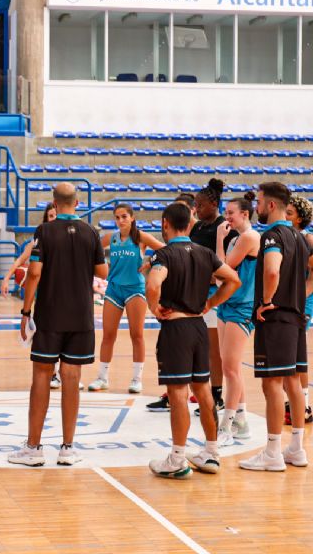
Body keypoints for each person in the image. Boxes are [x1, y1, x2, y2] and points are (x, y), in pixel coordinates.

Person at [8, 183, 107, 467]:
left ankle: (34, 448)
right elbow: (102, 271)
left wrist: (26, 311)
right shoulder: (91, 232)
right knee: (72, 378)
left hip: (51, 314)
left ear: (54, 202)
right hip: (81, 316)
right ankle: (67, 448)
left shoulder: (45, 231)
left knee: (41, 376)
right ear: (77, 202)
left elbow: (35, 273)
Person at [146, 202, 240, 479]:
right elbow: (233, 279)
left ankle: (177, 458)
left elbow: (153, 284)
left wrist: (154, 308)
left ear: (165, 223)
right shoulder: (205, 253)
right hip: (199, 328)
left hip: (176, 329)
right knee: (204, 391)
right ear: (190, 224)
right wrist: (210, 302)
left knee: (177, 393)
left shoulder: (164, 255)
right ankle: (211, 453)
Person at [239, 182, 312, 471]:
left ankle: (272, 453)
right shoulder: (299, 236)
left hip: (276, 317)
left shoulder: (273, 235)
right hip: (295, 318)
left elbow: (272, 269)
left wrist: (266, 300)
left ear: (271, 205)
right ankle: (296, 448)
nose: (256, 207)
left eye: (258, 202)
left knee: (271, 385)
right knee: (293, 383)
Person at [146, 181, 233, 413]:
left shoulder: (222, 228)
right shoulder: (197, 229)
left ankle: (216, 394)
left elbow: (225, 269)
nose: (198, 208)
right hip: (191, 294)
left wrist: (209, 284)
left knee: (213, 350)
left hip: (208, 295)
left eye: (199, 205)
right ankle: (175, 392)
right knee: (189, 353)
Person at [88, 203, 163, 393]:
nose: (120, 220)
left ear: (132, 218)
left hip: (135, 290)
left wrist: (150, 261)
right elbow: (91, 248)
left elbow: (165, 250)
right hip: (114, 289)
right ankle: (102, 377)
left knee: (136, 335)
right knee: (108, 335)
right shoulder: (111, 238)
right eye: (117, 217)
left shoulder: (141, 237)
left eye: (124, 217)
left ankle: (137, 379)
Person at [0, 203, 75, 390]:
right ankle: (54, 374)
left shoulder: (70, 239)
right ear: (45, 218)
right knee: (47, 339)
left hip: (66, 294)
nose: (53, 218)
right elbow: (21, 259)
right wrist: (7, 278)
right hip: (46, 297)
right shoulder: (39, 240)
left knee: (66, 337)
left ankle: (64, 373)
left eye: (55, 215)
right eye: (50, 215)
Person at [215, 192, 259, 446]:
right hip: (227, 304)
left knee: (231, 368)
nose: (227, 216)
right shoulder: (236, 238)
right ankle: (241, 421)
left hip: (241, 307)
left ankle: (227, 427)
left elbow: (223, 269)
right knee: (228, 366)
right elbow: (221, 272)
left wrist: (220, 238)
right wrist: (223, 239)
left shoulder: (250, 237)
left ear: (245, 213)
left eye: (231, 212)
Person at [284, 194, 313, 425]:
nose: (285, 216)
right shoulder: (286, 236)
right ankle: (293, 403)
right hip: (289, 301)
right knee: (289, 357)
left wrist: (299, 298)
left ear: (301, 218)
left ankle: (305, 406)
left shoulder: (308, 239)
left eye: (290, 213)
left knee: (297, 356)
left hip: (303, 302)